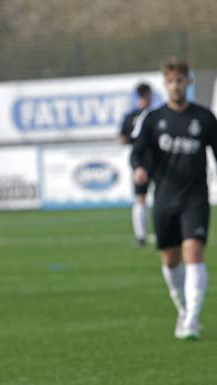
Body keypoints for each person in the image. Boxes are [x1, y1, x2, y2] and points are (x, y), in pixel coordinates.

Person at [131, 57, 217, 340]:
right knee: (170, 260)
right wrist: (140, 168)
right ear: (164, 84)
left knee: (194, 253)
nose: (175, 85)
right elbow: (137, 151)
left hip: (195, 199)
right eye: (170, 81)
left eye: (180, 80)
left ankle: (192, 319)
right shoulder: (154, 119)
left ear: (188, 82)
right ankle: (182, 308)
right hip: (165, 199)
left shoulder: (204, 118)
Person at [119, 83, 153, 246]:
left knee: (142, 198)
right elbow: (122, 138)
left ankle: (142, 236)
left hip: (142, 159)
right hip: (145, 160)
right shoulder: (151, 115)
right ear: (147, 94)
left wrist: (133, 139)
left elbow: (123, 138)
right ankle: (141, 236)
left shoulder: (140, 115)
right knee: (141, 198)